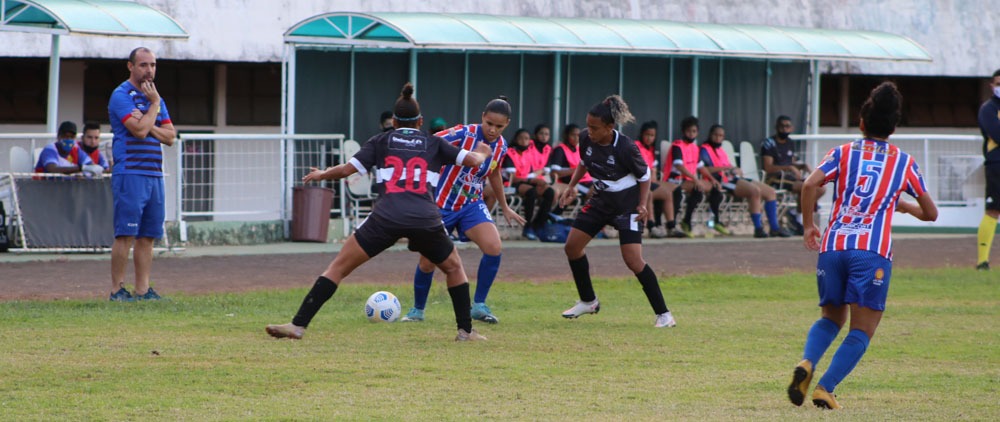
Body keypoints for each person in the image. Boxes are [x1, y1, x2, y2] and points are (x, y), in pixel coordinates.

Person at [266, 83, 493, 341]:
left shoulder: (380, 141)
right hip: (425, 218)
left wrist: (321, 174)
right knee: (453, 268)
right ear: (420, 121)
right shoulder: (434, 143)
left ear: (394, 121)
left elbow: (345, 170)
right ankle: (465, 331)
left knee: (338, 267)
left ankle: (298, 326)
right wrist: (483, 152)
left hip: (387, 217)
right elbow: (474, 161)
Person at [787, 81, 937, 409]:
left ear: (861, 122)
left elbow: (810, 184)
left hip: (834, 246)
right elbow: (931, 213)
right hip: (871, 251)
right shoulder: (904, 162)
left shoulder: (842, 152)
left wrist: (809, 225)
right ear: (894, 127)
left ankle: (807, 362)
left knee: (830, 317)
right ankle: (825, 388)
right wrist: (905, 206)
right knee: (862, 330)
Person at [401, 96, 526, 324]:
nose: (492, 129)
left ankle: (478, 306)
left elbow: (494, 172)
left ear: (507, 124)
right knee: (428, 261)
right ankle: (417, 311)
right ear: (482, 118)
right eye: (489, 123)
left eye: (499, 126)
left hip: (470, 205)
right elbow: (431, 142)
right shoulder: (463, 133)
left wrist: (504, 205)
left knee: (493, 247)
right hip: (440, 205)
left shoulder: (501, 146)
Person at [558, 95, 676, 328]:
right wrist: (571, 187)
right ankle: (588, 301)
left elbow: (645, 176)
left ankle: (664, 315)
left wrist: (642, 204)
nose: (588, 132)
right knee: (572, 247)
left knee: (633, 259)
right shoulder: (585, 137)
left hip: (627, 204)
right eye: (588, 125)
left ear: (609, 127)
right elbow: (584, 162)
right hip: (601, 200)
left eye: (594, 128)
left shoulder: (626, 147)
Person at [107, 47, 176, 302]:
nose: (150, 70)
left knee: (148, 235)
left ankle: (143, 290)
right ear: (131, 66)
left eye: (153, 65)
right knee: (125, 233)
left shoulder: (156, 98)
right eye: (144, 65)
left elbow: (170, 137)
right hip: (130, 171)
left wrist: (151, 113)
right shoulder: (120, 95)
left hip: (154, 173)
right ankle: (117, 290)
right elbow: (137, 131)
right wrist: (153, 113)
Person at [699, 124, 790, 238]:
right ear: (710, 135)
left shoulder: (720, 150)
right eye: (715, 135)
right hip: (721, 181)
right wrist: (726, 168)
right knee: (754, 191)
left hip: (732, 178)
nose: (718, 138)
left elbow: (727, 165)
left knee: (770, 192)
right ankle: (758, 228)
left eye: (721, 136)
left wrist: (735, 169)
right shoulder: (704, 150)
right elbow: (704, 169)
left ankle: (775, 228)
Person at [761, 116, 825, 234]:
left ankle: (796, 214)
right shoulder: (769, 143)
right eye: (782, 126)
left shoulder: (790, 142)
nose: (785, 129)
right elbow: (768, 167)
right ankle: (799, 220)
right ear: (776, 127)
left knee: (820, 189)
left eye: (787, 126)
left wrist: (803, 166)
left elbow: (792, 161)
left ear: (792, 128)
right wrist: (790, 168)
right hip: (775, 178)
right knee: (805, 188)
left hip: (790, 177)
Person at [634, 121, 685, 238]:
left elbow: (653, 170)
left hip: (649, 181)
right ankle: (652, 226)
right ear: (642, 134)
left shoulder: (651, 150)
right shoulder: (636, 146)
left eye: (652, 136)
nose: (649, 138)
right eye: (647, 134)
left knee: (672, 191)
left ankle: (671, 225)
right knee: (651, 193)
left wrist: (654, 179)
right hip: (638, 182)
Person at [502, 128, 555, 240]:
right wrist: (532, 181)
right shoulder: (510, 153)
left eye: (526, 138)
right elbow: (513, 178)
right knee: (531, 191)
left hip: (526, 182)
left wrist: (541, 180)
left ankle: (539, 224)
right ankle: (527, 226)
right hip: (510, 185)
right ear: (516, 139)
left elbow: (532, 173)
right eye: (521, 138)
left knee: (550, 192)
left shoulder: (528, 154)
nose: (523, 141)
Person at [665, 116, 713, 237]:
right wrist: (696, 179)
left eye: (694, 131)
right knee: (679, 193)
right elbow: (679, 166)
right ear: (683, 131)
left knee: (704, 191)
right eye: (689, 131)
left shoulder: (695, 148)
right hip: (674, 179)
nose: (691, 134)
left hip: (688, 180)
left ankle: (690, 221)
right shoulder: (677, 145)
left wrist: (713, 179)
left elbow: (701, 167)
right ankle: (673, 225)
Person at [975, 69, 1000, 271]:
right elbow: (997, 134)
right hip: (996, 165)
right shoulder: (988, 109)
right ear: (992, 85)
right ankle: (982, 261)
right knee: (993, 210)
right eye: (998, 83)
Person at [548, 123, 591, 214]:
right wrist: (578, 170)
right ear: (566, 135)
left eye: (578, 135)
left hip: (587, 180)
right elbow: (555, 172)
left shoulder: (580, 149)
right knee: (596, 191)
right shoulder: (560, 150)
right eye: (573, 135)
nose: (576, 138)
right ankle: (555, 215)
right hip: (574, 182)